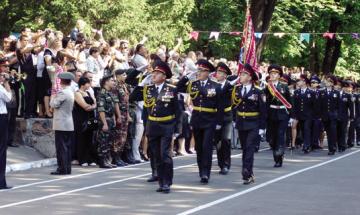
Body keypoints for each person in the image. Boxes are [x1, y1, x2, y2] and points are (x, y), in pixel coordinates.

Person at [131, 60, 181, 193]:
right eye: (153, 72)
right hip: (152, 126)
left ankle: (167, 182)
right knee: (156, 155)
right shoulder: (148, 89)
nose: (154, 75)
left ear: (164, 77)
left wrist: (177, 129)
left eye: (157, 73)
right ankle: (161, 181)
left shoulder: (171, 89)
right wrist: (141, 84)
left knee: (165, 154)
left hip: (166, 125)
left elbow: (178, 111)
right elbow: (133, 97)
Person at [177, 59, 223, 184]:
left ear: (207, 72)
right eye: (198, 70)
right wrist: (187, 77)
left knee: (206, 146)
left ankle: (205, 173)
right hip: (197, 118)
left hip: (210, 119)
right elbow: (178, 87)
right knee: (199, 147)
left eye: (201, 71)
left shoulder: (216, 86)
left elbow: (220, 106)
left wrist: (219, 122)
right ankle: (201, 169)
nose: (199, 73)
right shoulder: (193, 84)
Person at [232, 64, 266, 184]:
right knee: (244, 148)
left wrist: (262, 127)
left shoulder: (258, 91)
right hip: (241, 122)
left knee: (249, 147)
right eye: (241, 74)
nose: (241, 76)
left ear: (250, 77)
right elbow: (233, 106)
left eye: (244, 74)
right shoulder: (236, 89)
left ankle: (246, 172)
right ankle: (249, 173)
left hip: (253, 123)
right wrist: (234, 119)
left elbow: (263, 110)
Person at [265, 65, 292, 168]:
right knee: (272, 138)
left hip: (282, 113)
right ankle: (277, 152)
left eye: (275, 73)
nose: (272, 75)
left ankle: (278, 158)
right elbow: (265, 101)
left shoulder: (284, 86)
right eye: (271, 73)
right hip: (271, 114)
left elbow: (289, 101)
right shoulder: (267, 86)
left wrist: (291, 116)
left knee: (280, 135)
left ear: (279, 75)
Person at [49, 72, 75, 175]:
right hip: (68, 123)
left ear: (61, 81)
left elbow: (53, 104)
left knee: (61, 148)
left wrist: (53, 95)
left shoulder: (63, 92)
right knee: (67, 148)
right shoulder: (70, 91)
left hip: (61, 123)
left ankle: (62, 168)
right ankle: (67, 168)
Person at [214, 62, 233, 175]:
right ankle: (221, 164)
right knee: (218, 142)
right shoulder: (213, 85)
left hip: (226, 116)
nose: (218, 74)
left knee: (226, 140)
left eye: (220, 72)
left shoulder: (230, 87)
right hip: (216, 116)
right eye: (217, 72)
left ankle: (226, 164)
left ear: (225, 75)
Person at [73, 77, 97, 167]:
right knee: (81, 139)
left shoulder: (88, 92)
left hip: (90, 118)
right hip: (81, 118)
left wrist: (93, 105)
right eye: (88, 83)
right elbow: (85, 106)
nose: (89, 85)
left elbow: (94, 101)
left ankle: (89, 158)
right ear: (83, 84)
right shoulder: (77, 93)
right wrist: (93, 106)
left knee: (89, 138)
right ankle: (82, 159)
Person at [96, 75, 117, 168]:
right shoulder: (102, 93)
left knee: (109, 141)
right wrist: (104, 123)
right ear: (106, 82)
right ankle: (102, 162)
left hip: (110, 120)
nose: (114, 82)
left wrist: (114, 119)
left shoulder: (110, 93)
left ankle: (107, 161)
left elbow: (112, 108)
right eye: (112, 80)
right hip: (105, 120)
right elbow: (101, 110)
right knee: (103, 142)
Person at [292, 75, 315, 153]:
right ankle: (306, 143)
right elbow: (295, 105)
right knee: (303, 130)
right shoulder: (296, 92)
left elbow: (314, 105)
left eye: (300, 81)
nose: (298, 82)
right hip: (299, 115)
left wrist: (314, 115)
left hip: (308, 115)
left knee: (306, 129)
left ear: (304, 82)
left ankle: (306, 145)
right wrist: (294, 116)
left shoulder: (311, 92)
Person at [319, 75, 340, 155]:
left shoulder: (336, 93)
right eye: (327, 81)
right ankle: (330, 147)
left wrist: (337, 114)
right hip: (325, 115)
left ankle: (333, 147)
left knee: (333, 131)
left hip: (333, 115)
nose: (327, 82)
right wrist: (320, 115)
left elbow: (338, 105)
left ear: (332, 83)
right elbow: (320, 105)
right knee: (328, 132)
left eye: (330, 81)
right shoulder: (322, 92)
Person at [0, 71, 12, 189]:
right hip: (1, 117)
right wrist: (7, 84)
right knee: (2, 149)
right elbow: (9, 99)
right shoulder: (0, 88)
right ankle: (1, 182)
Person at [337, 80, 354, 152]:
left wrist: (352, 117)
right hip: (336, 116)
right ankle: (338, 145)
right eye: (344, 87)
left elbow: (351, 107)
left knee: (343, 131)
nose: (345, 88)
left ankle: (342, 146)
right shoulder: (335, 94)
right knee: (337, 131)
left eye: (346, 87)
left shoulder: (348, 95)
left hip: (344, 116)